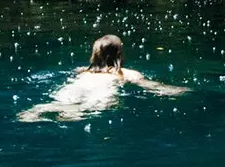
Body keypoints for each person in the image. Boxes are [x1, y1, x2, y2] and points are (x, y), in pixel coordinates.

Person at [17, 34, 188, 122]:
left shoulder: (83, 71)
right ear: (119, 54)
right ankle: (73, 114)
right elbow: (153, 87)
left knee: (62, 103)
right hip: (103, 89)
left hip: (77, 86)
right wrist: (174, 90)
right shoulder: (126, 73)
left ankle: (36, 111)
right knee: (88, 107)